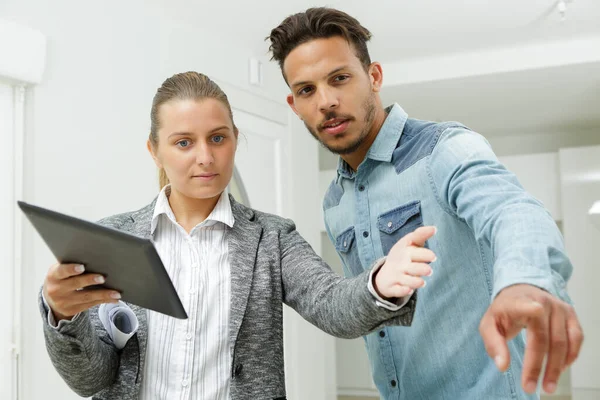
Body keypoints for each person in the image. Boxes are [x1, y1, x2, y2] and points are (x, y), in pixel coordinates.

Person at [38, 71, 438, 400]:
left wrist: (380, 285)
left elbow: (332, 305)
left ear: (234, 139)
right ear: (154, 151)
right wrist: (62, 314)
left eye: (217, 137)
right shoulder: (113, 238)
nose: (205, 157)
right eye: (183, 142)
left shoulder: (272, 238)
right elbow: (90, 380)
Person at [267, 8, 584, 400]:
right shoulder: (335, 202)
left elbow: (513, 210)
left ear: (374, 77)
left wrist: (524, 280)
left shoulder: (444, 150)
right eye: (306, 90)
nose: (326, 101)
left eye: (339, 79)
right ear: (293, 103)